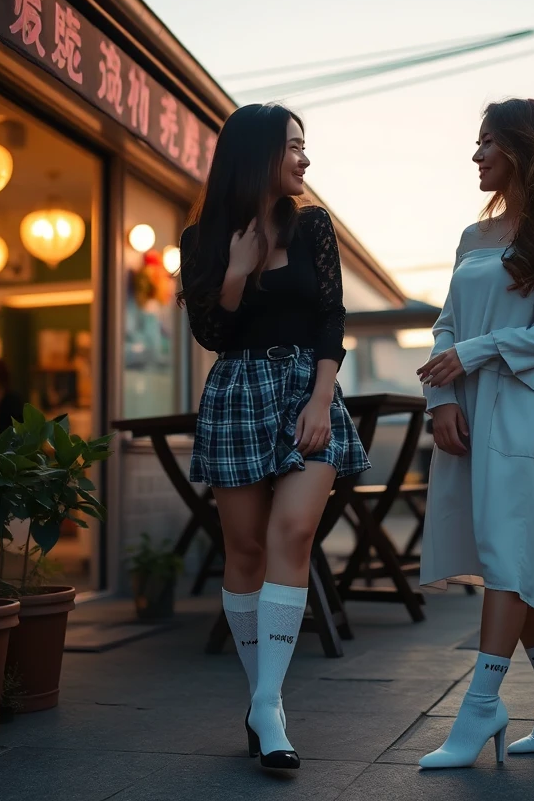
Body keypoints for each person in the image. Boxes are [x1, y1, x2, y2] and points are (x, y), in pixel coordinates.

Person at [414, 98, 534, 769]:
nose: (477, 155)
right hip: (469, 413)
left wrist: (481, 351)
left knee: (507, 551)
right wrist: (441, 396)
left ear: (524, 149)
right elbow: (446, 325)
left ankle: (480, 707)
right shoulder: (475, 237)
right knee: (510, 552)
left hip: (527, 409)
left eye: (488, 142)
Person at [177, 102, 368, 771]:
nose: (304, 158)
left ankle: (266, 703)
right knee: (246, 548)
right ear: (257, 154)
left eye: (304, 145)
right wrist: (235, 271)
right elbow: (212, 336)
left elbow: (330, 318)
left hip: (303, 389)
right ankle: (267, 703)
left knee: (292, 533)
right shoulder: (200, 239)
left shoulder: (313, 226)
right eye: (292, 146)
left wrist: (321, 399)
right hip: (236, 393)